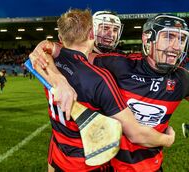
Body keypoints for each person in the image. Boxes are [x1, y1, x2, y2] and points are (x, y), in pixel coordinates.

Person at [30, 14, 189, 172]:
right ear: (148, 39)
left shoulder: (181, 78)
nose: (176, 46)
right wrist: (53, 64)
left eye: (181, 39)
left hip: (152, 166)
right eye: (169, 37)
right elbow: (68, 54)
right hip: (114, 165)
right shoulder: (117, 64)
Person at [29, 9, 175, 172]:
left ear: (61, 39)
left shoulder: (52, 59)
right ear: (92, 33)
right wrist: (167, 140)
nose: (110, 34)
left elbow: (39, 54)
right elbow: (135, 133)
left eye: (114, 29)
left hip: (60, 150)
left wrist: (58, 78)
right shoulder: (101, 77)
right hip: (90, 160)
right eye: (104, 28)